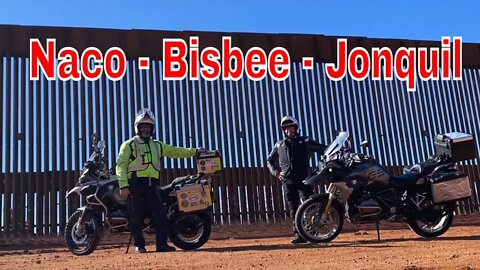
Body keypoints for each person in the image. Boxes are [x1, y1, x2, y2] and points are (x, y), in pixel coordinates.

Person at [116, 108, 204, 253]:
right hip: (134, 185)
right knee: (135, 215)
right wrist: (123, 185)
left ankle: (161, 245)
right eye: (143, 126)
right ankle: (139, 245)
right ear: (137, 127)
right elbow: (121, 166)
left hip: (152, 186)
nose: (146, 129)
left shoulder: (157, 145)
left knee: (161, 214)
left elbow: (175, 151)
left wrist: (194, 151)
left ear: (152, 129)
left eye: (148, 126)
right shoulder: (128, 145)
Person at [267, 116, 326, 244]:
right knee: (293, 208)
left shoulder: (305, 140)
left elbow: (323, 150)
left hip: (305, 179)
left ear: (296, 128)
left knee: (309, 205)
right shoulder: (279, 145)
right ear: (283, 130)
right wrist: (276, 172)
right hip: (287, 181)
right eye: (286, 128)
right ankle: (299, 234)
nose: (289, 130)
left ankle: (312, 233)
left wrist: (325, 163)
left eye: (291, 127)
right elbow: (269, 160)